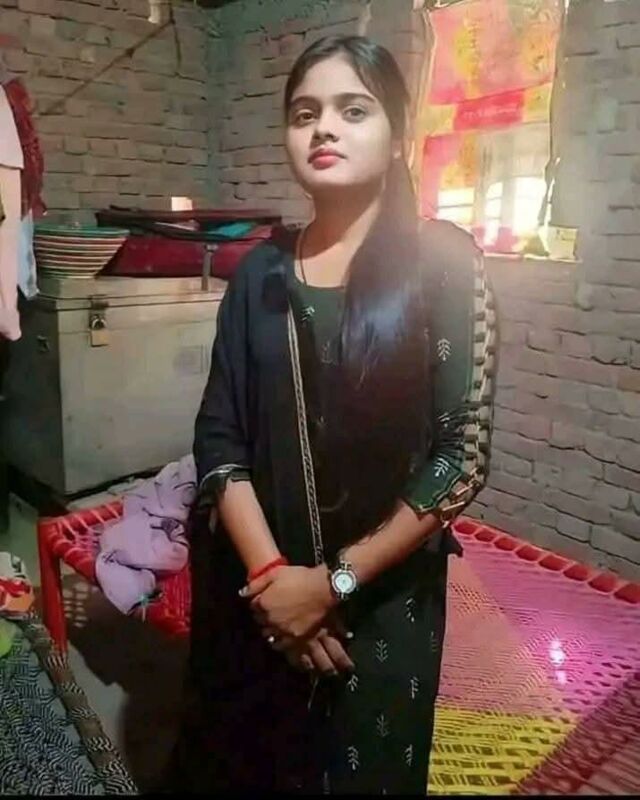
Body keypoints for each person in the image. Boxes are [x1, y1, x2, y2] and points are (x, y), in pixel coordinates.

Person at [170, 35, 497, 795]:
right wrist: (274, 579)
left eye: (353, 110)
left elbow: (463, 455)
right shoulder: (259, 274)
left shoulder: (444, 263)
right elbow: (219, 436)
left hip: (381, 605)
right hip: (261, 594)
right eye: (304, 113)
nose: (323, 127)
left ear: (397, 136)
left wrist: (331, 586)